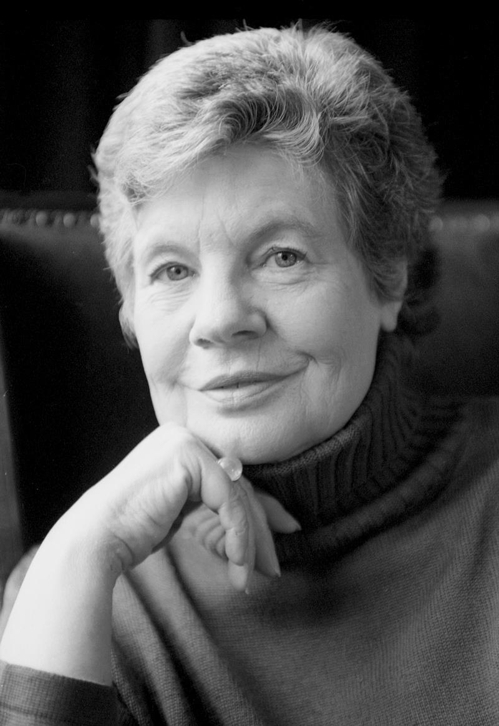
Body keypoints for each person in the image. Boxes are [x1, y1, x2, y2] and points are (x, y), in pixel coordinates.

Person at [1, 23, 499, 725]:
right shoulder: (73, 590)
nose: (219, 319)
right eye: (171, 270)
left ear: (388, 279)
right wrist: (75, 557)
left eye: (280, 256)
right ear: (131, 310)